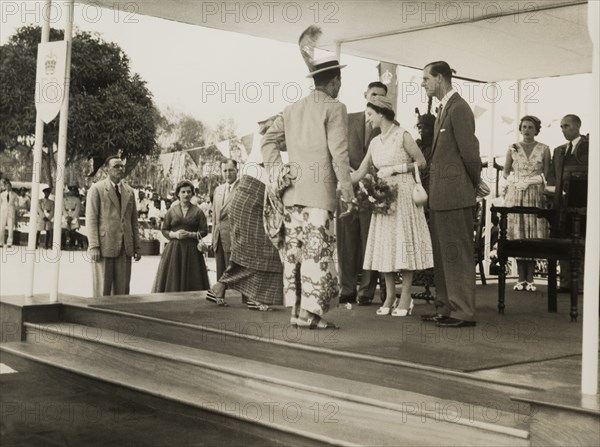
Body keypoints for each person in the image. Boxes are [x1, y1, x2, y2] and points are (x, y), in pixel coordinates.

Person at [262, 54, 356, 329]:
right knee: (318, 254)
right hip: (319, 195)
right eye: (340, 81)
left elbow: (267, 140)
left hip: (292, 195)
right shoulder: (335, 108)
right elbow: (339, 154)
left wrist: (279, 169)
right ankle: (310, 315)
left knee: (295, 255)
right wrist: (348, 193)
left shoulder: (292, 109)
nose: (340, 85)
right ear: (334, 82)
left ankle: (296, 311)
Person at [351, 96, 433, 316]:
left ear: (381, 113)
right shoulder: (375, 142)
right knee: (386, 246)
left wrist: (396, 169)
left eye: (370, 115)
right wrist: (338, 174)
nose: (367, 120)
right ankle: (389, 295)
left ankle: (405, 297)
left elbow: (422, 162)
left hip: (404, 195)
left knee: (403, 243)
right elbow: (359, 172)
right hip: (383, 198)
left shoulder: (402, 135)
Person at [420, 61, 481, 328]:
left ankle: (463, 311)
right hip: (441, 197)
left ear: (441, 78)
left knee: (457, 254)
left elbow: (471, 154)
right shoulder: (445, 108)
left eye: (426, 78)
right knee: (443, 256)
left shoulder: (459, 108)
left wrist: (473, 184)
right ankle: (445, 307)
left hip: (455, 196)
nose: (423, 83)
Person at [206, 116, 284, 310]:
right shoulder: (267, 145)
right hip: (251, 201)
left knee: (250, 252)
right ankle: (253, 296)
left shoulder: (264, 145)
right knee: (262, 250)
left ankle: (222, 287)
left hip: (247, 201)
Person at [337, 81, 387, 306]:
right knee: (346, 241)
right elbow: (336, 150)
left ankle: (366, 292)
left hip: (373, 191)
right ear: (365, 94)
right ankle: (346, 289)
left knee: (370, 241)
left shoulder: (387, 125)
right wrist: (351, 174)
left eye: (381, 96)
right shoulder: (347, 119)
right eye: (373, 94)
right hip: (348, 188)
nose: (376, 98)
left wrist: (371, 178)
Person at [502, 115, 551, 292]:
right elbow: (505, 173)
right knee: (518, 232)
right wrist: (516, 181)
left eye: (531, 127)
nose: (527, 130)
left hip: (535, 193)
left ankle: (530, 277)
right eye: (524, 127)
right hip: (517, 193)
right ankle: (520, 277)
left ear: (536, 129)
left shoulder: (544, 148)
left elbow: (547, 174)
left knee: (532, 232)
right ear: (520, 129)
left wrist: (531, 181)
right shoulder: (512, 148)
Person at [86, 156, 141, 297]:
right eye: (116, 166)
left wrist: (137, 246)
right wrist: (93, 246)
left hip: (125, 246)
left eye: (122, 166)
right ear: (106, 169)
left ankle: (120, 316)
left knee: (122, 289)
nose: (120, 169)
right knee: (102, 288)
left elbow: (133, 220)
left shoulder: (129, 191)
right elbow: (91, 219)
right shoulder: (96, 189)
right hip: (104, 245)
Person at [547, 114, 589, 292]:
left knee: (581, 243)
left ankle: (580, 284)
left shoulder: (590, 147)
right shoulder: (558, 151)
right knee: (562, 241)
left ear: (578, 126)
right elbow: (552, 178)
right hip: (561, 205)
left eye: (567, 126)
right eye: (562, 126)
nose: (564, 129)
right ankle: (564, 282)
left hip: (582, 205)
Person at [152, 180, 210, 292]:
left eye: (189, 192)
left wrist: (191, 234)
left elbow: (204, 231)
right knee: (173, 277)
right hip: (174, 250)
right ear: (178, 194)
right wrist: (174, 234)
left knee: (193, 278)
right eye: (183, 192)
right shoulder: (171, 211)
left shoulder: (198, 212)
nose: (186, 194)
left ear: (192, 194)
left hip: (192, 250)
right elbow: (164, 229)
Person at [411, 103, 437, 301]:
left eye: (425, 126)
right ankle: (420, 275)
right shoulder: (416, 146)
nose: (421, 130)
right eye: (419, 126)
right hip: (417, 194)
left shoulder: (437, 147)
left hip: (434, 195)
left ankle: (431, 277)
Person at [212, 159, 239, 281]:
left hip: (234, 239)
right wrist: (213, 238)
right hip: (219, 240)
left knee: (233, 276)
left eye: (231, 170)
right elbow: (214, 217)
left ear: (237, 170)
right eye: (225, 170)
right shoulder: (218, 190)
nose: (227, 173)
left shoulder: (242, 189)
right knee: (220, 276)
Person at [62, 185, 82, 249]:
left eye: (72, 191)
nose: (71, 192)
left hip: (74, 216)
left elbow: (77, 209)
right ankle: (63, 244)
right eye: (70, 191)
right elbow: (63, 208)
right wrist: (66, 216)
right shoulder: (65, 199)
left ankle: (72, 244)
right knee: (64, 229)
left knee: (73, 231)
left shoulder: (77, 199)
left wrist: (72, 217)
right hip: (66, 215)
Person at [0, 180, 18, 248]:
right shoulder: (1, 195)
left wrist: (16, 206)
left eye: (9, 186)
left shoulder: (14, 195)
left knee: (10, 228)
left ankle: (9, 243)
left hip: (11, 213)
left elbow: (16, 204)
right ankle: (1, 242)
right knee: (1, 228)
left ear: (11, 186)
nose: (7, 187)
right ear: (4, 187)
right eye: (6, 186)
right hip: (3, 212)